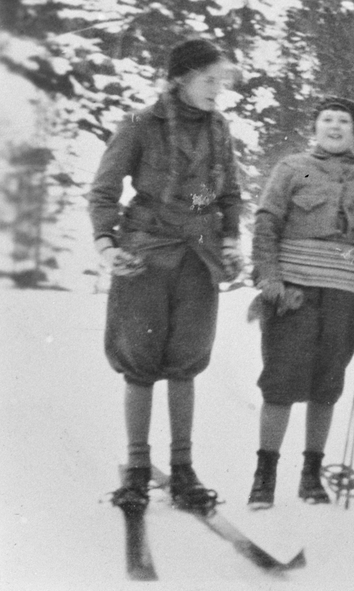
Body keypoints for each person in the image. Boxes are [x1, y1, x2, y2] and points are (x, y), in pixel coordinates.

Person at [90, 37, 244, 514]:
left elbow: (228, 194)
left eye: (222, 82)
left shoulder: (220, 130)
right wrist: (106, 243)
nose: (217, 90)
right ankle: (137, 469)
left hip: (198, 259)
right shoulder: (140, 125)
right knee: (140, 360)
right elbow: (104, 191)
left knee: (186, 361)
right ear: (181, 78)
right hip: (146, 256)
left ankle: (183, 469)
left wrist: (232, 237)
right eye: (209, 80)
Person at [246, 97, 354, 508]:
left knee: (327, 383)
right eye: (327, 120)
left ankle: (311, 474)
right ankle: (264, 477)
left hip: (344, 291)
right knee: (281, 382)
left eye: (344, 122)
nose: (335, 127)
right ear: (314, 127)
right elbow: (266, 222)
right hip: (293, 290)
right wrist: (269, 278)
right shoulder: (293, 167)